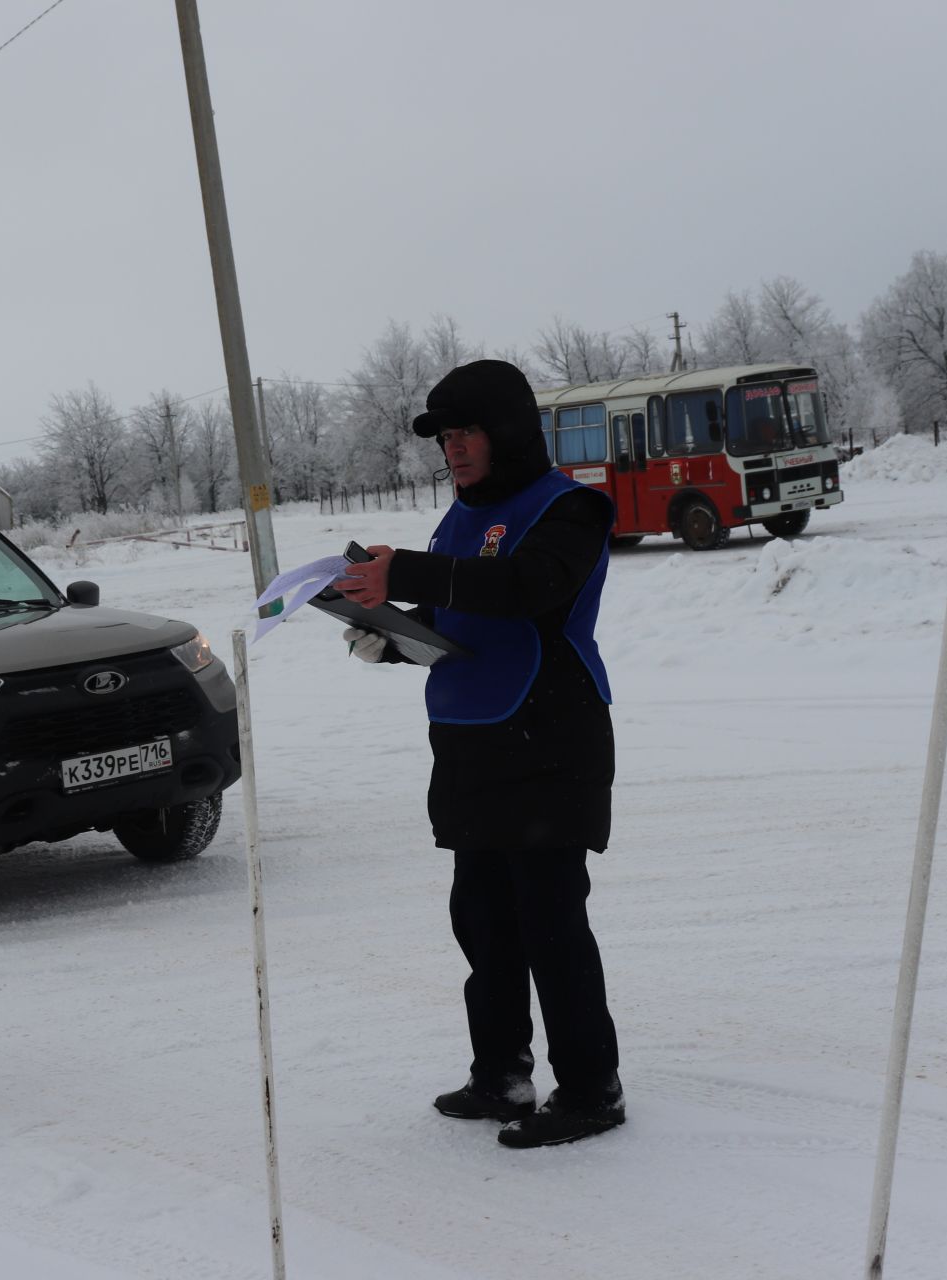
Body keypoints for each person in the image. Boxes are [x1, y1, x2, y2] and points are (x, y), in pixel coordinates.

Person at [333, 359, 625, 1149]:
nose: (455, 449)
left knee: (551, 925)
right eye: (445, 436)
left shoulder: (571, 509)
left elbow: (525, 588)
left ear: (509, 431)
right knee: (484, 923)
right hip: (469, 744)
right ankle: (500, 1072)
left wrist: (410, 571)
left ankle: (592, 1089)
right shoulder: (454, 520)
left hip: (548, 740)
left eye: (467, 432)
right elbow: (449, 623)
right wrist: (389, 637)